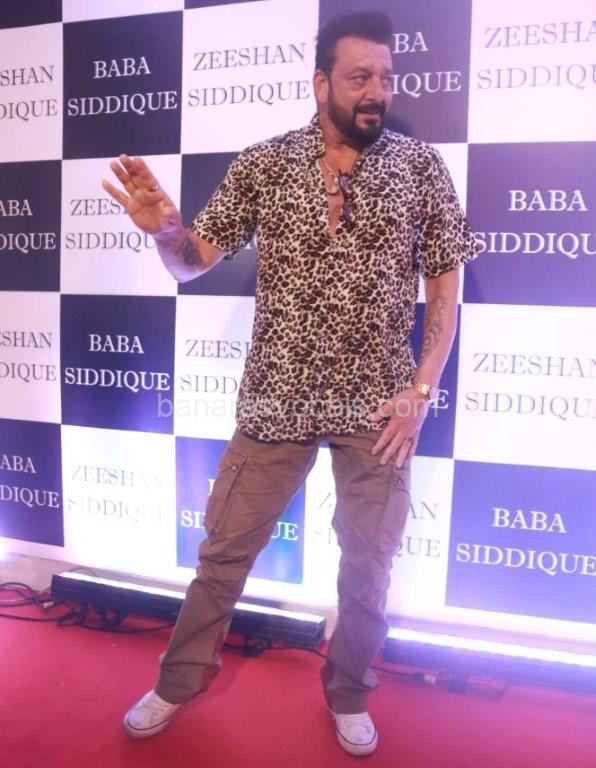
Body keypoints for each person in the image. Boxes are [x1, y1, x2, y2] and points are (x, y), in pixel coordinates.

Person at [103, 9, 476, 757]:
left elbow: (444, 283)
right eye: (360, 77)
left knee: (368, 567)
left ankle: (349, 694)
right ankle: (177, 683)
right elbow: (193, 260)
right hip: (276, 394)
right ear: (321, 83)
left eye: (387, 78)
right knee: (223, 554)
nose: (377, 92)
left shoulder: (420, 167)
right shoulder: (265, 163)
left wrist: (421, 389)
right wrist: (167, 230)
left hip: (378, 404)